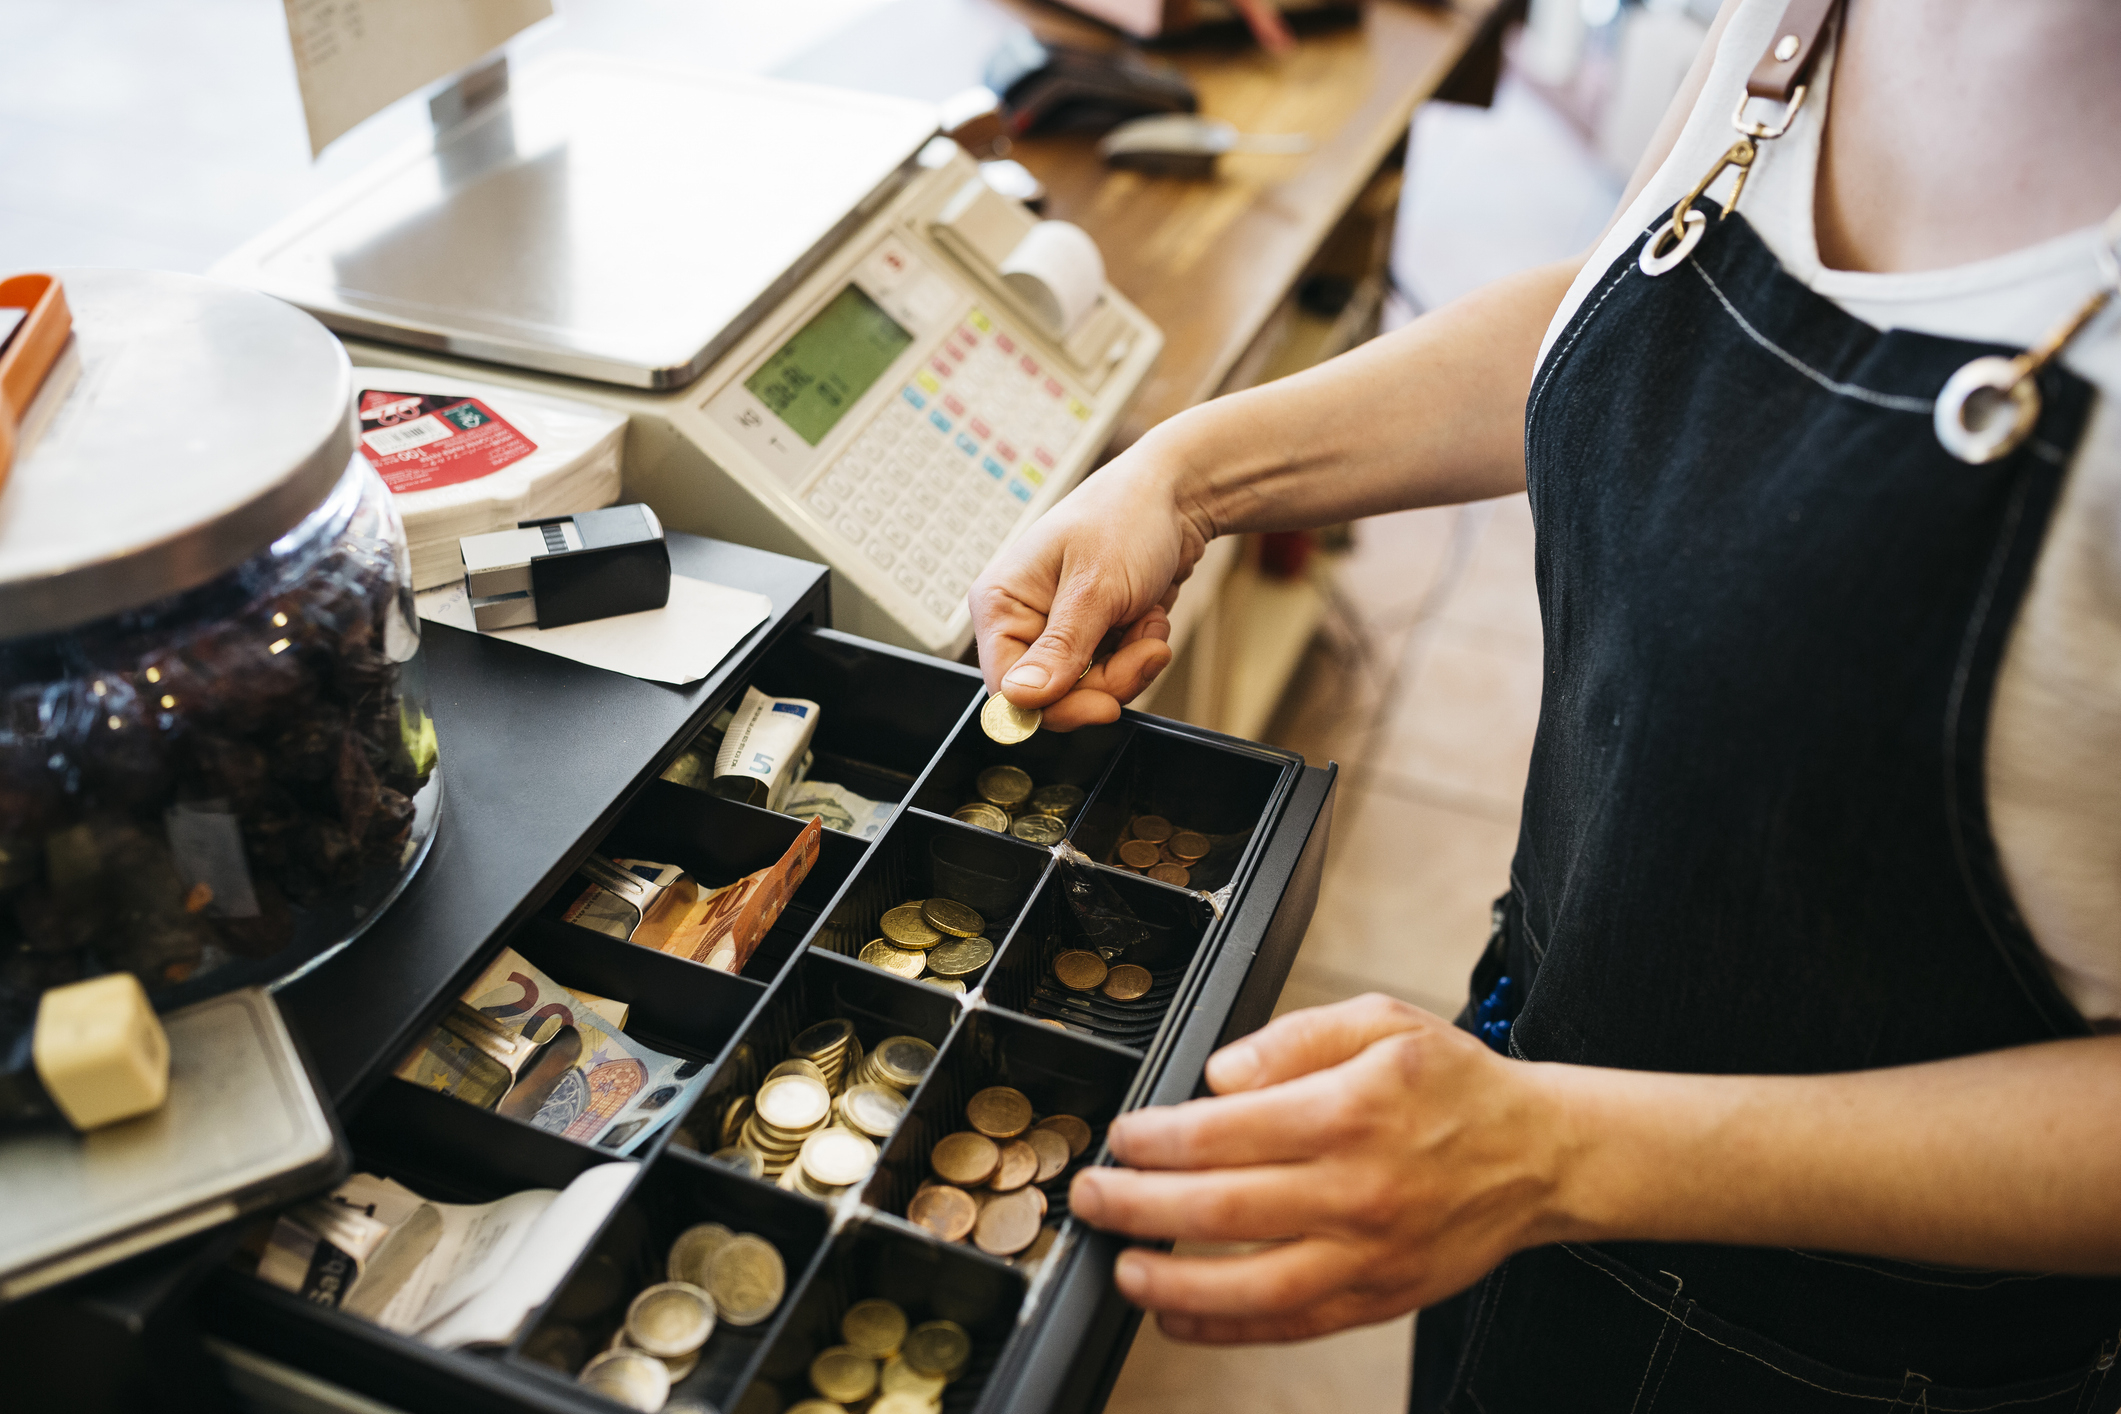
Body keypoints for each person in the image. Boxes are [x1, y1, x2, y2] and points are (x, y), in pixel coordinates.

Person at [968, 0, 2121, 1406]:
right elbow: (1629, 294)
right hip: (1530, 1117)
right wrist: (1189, 473)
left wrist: (1558, 1151)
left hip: (1864, 1355)